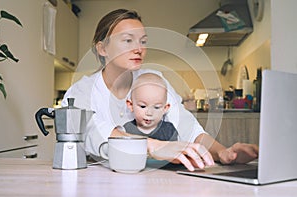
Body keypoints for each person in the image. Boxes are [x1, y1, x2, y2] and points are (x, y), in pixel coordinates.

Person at [62, 8, 259, 171]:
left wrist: (223, 153)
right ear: (102, 49)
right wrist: (155, 146)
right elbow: (96, 131)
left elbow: (188, 128)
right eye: (128, 40)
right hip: (99, 184)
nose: (139, 48)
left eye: (143, 41)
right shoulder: (82, 92)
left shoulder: (154, 80)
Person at [123, 73, 178, 141]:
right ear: (131, 105)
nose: (149, 113)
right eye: (143, 106)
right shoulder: (126, 129)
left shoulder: (169, 130)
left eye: (156, 107)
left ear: (165, 108)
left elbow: (174, 149)